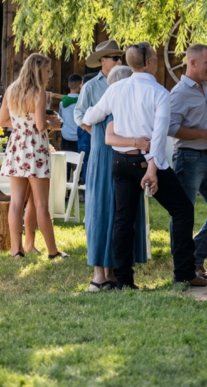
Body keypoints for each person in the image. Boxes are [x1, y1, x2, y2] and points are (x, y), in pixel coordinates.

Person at [83, 42, 207, 288]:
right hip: (148, 161)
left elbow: (89, 117)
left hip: (120, 161)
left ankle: (124, 281)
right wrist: (152, 169)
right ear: (149, 63)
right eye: (155, 59)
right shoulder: (159, 92)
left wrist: (113, 128)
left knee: (123, 220)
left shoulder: (116, 89)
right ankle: (184, 272)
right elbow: (159, 136)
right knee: (182, 210)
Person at [84, 65, 148, 291]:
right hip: (113, 161)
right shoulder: (116, 107)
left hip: (99, 161)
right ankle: (104, 274)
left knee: (101, 214)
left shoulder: (102, 104)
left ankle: (103, 274)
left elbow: (86, 117)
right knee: (115, 214)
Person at [0, 53, 67, 259]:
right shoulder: (39, 92)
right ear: (38, 71)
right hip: (35, 149)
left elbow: (3, 121)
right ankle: (53, 252)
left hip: (17, 146)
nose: (49, 75)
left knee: (16, 202)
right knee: (41, 205)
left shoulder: (11, 90)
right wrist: (52, 125)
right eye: (47, 71)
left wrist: (22, 124)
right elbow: (39, 126)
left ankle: (16, 250)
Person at [168, 44, 207, 278]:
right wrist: (203, 134)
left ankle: (195, 258)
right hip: (188, 158)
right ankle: (182, 268)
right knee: (184, 215)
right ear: (192, 63)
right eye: (206, 64)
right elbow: (171, 128)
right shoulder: (179, 92)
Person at [76, 72, 98, 185]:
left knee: (87, 161)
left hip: (87, 131)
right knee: (86, 161)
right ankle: (85, 189)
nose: (80, 86)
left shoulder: (90, 95)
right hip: (86, 131)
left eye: (82, 83)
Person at [59, 73, 82, 152]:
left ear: (69, 85)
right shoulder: (82, 101)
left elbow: (61, 117)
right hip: (78, 137)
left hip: (66, 135)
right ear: (80, 85)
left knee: (65, 162)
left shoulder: (62, 102)